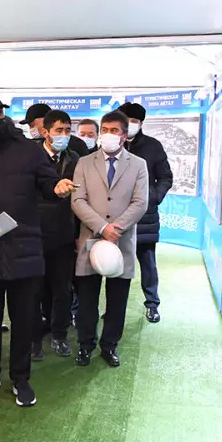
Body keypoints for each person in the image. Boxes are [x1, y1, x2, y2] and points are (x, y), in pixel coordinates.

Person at [0, 93, 75, 407]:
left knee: (24, 319)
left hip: (25, 247)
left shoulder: (27, 150)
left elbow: (48, 181)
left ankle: (21, 378)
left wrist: (58, 187)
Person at [70, 111, 148, 368]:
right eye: (105, 129)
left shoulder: (138, 165)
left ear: (124, 136)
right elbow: (77, 200)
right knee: (87, 299)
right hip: (91, 239)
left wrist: (117, 227)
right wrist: (102, 227)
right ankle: (85, 345)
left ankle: (110, 345)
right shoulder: (84, 163)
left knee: (117, 299)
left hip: (121, 240)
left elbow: (140, 202)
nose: (108, 135)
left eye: (114, 130)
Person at [118, 102, 174, 323]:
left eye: (134, 121)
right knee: (116, 265)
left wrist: (153, 197)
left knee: (148, 263)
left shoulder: (153, 146)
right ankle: (114, 308)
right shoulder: (112, 145)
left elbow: (166, 177)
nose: (130, 125)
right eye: (127, 120)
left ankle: (152, 304)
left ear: (141, 123)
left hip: (145, 218)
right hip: (118, 217)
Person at [33, 110, 80, 360]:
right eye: (58, 130)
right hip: (35, 236)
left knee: (63, 289)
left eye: (67, 130)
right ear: (45, 132)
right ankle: (34, 339)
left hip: (64, 235)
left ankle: (59, 335)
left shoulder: (75, 159)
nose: (64, 135)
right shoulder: (31, 157)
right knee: (34, 291)